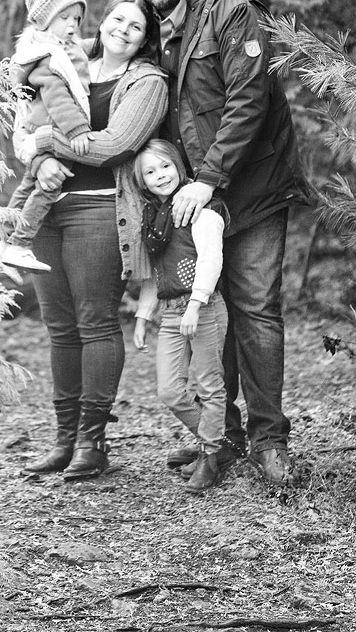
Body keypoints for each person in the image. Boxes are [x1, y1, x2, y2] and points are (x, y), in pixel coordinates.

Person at [122, 0, 312, 487]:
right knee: (214, 315)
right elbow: (110, 59)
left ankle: (269, 439)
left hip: (248, 188)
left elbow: (248, 100)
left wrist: (206, 179)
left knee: (255, 308)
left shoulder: (231, 9)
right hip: (197, 198)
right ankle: (221, 435)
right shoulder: (157, 28)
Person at [15, 0, 168, 481]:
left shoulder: (146, 82)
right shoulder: (62, 59)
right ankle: (63, 438)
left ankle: (92, 441)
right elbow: (22, 127)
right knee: (59, 326)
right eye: (117, 19)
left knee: (95, 322)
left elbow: (115, 145)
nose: (123, 29)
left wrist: (47, 143)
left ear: (146, 40)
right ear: (100, 22)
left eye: (136, 27)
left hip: (101, 210)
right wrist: (39, 156)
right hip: (49, 208)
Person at [132, 140, 228, 494]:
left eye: (165, 166)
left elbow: (210, 260)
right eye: (150, 172)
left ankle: (210, 454)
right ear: (141, 181)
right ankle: (220, 444)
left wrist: (195, 304)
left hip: (202, 308)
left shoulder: (202, 209)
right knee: (170, 390)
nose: (160, 176)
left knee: (208, 384)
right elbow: (154, 273)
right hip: (171, 314)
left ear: (179, 166)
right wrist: (143, 317)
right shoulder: (152, 218)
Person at [0, 0, 91, 273]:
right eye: (64, 17)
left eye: (77, 18)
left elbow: (84, 49)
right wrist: (77, 130)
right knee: (47, 188)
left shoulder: (55, 46)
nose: (72, 25)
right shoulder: (49, 57)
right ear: (45, 19)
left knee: (28, 185)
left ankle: (2, 240)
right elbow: (59, 98)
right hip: (52, 129)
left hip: (42, 129)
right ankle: (20, 244)